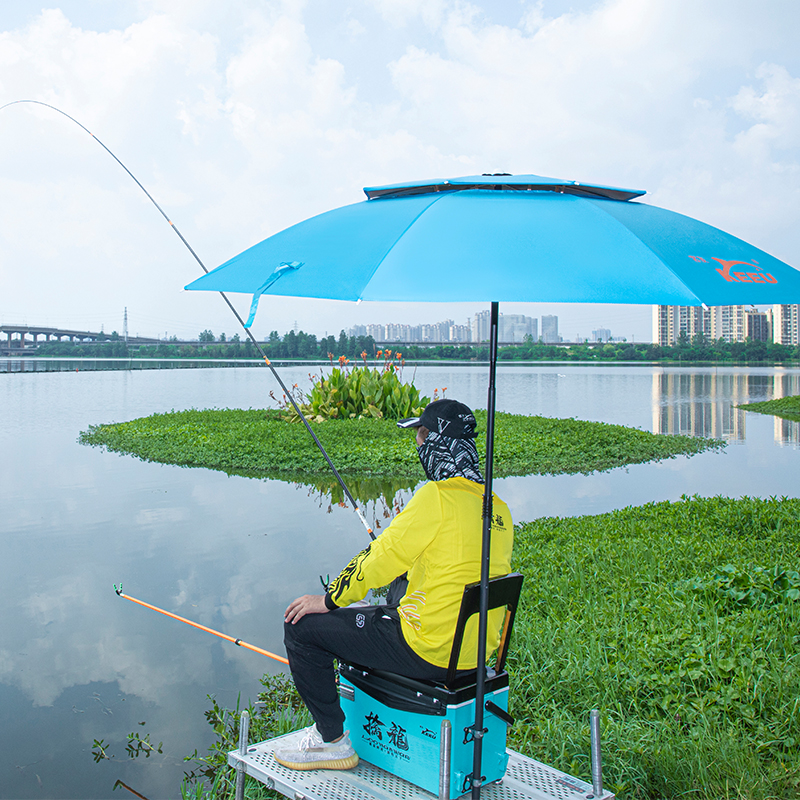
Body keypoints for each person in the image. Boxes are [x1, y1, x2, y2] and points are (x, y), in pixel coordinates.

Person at [274, 399, 514, 771]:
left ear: (437, 442)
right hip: (471, 656)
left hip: (427, 650)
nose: (418, 445)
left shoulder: (436, 497)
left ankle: (333, 742)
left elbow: (380, 560)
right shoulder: (498, 508)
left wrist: (330, 599)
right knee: (381, 606)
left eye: (421, 435)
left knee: (302, 627)